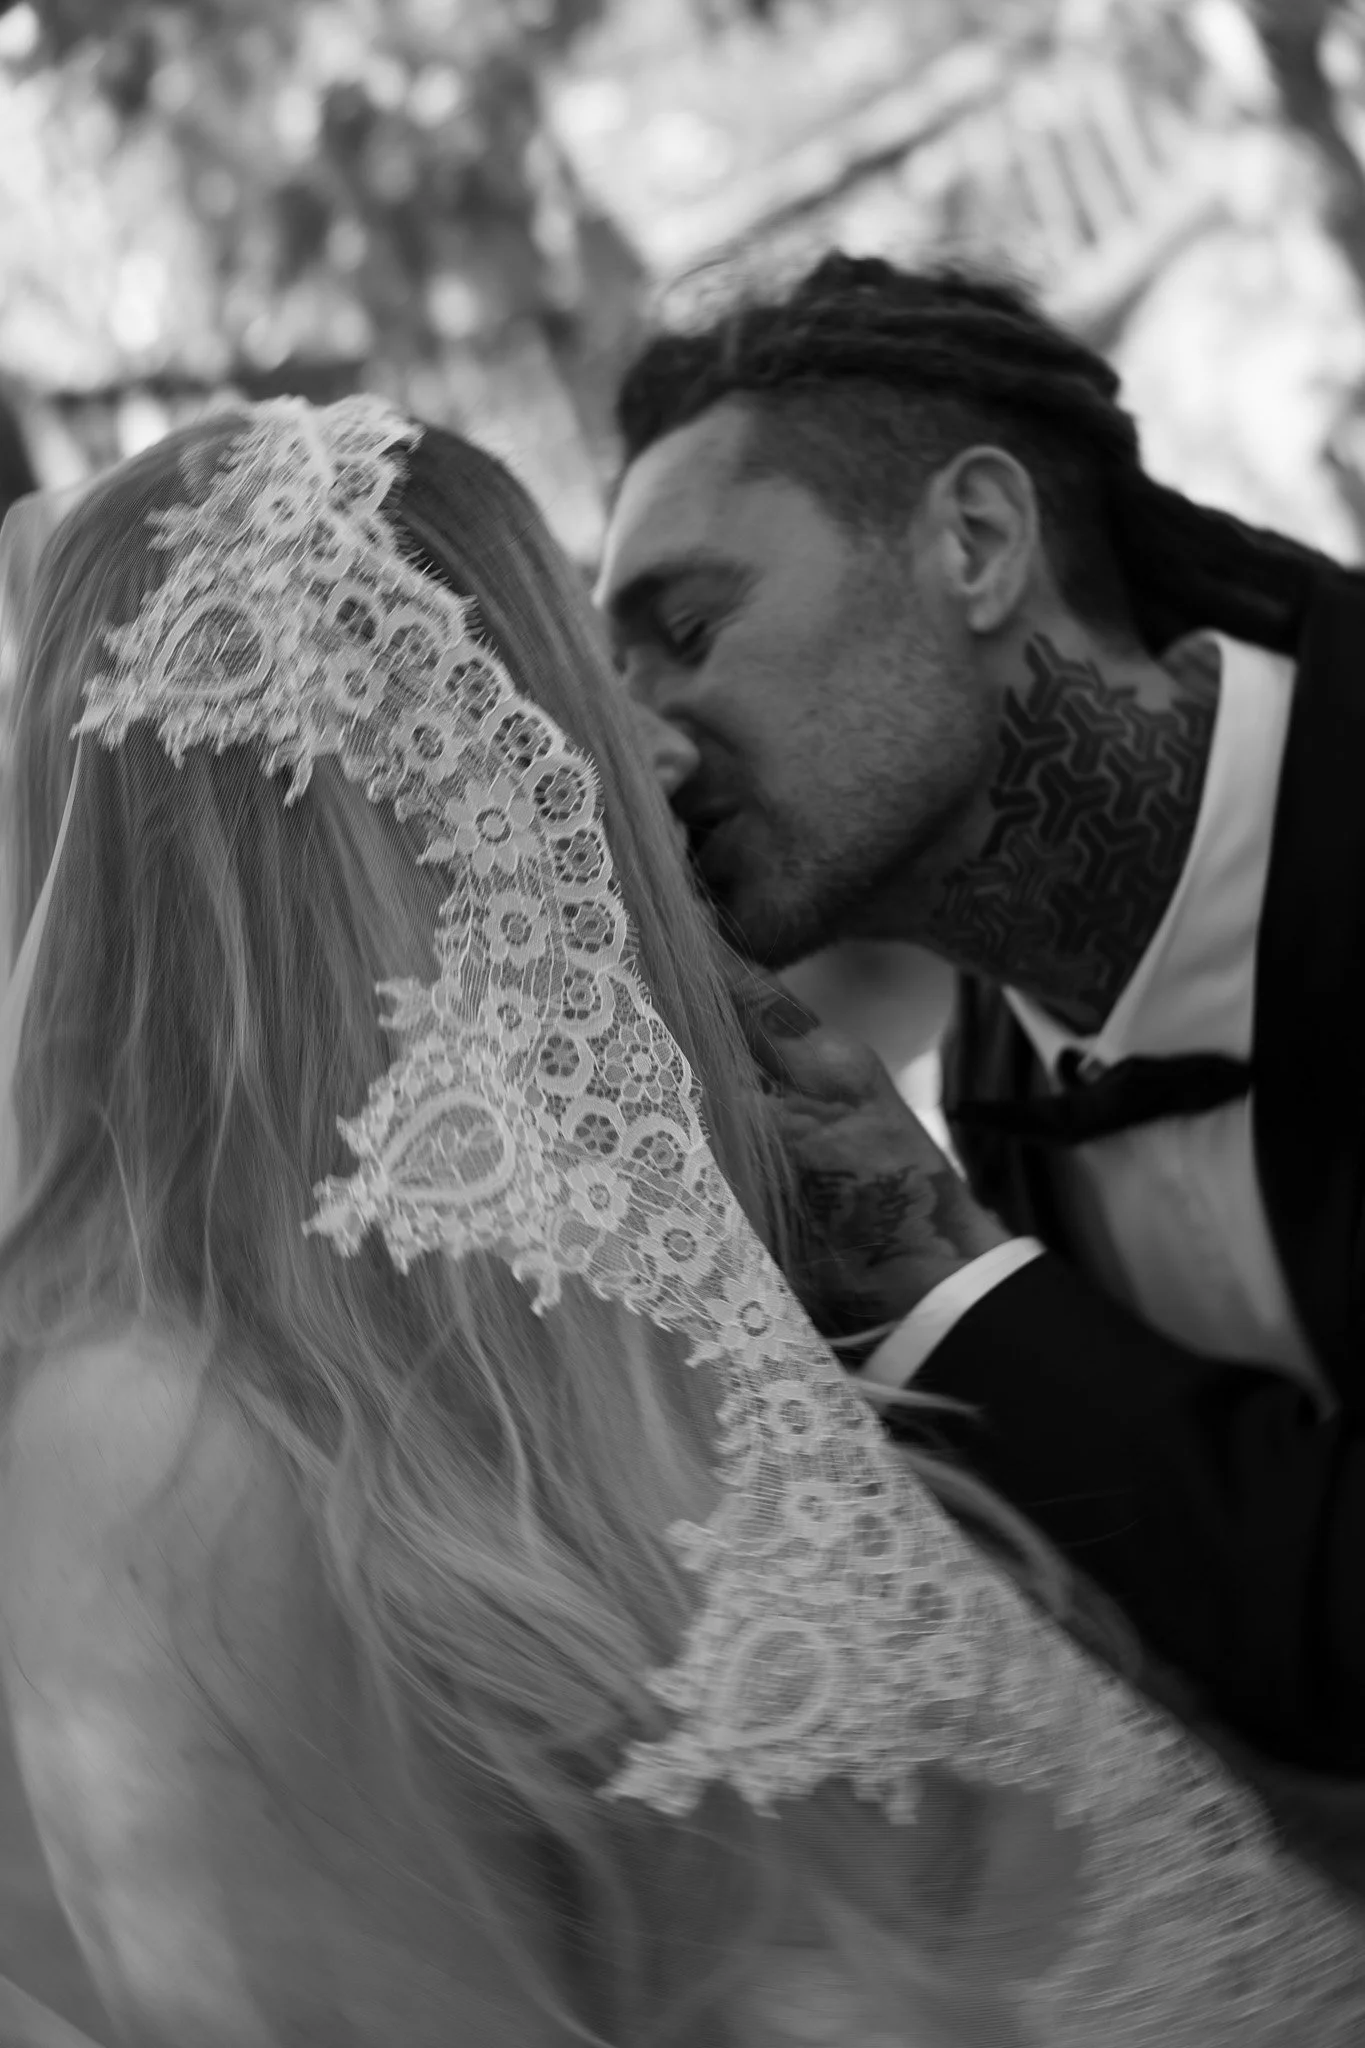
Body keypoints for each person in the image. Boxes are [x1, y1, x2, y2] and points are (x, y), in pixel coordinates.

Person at [1, 397, 1363, 2048]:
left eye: (678, 631)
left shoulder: (673, 1279)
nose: (654, 749)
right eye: (567, 664)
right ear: (386, 763)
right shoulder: (144, 1447)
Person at [599, 250, 1365, 1787]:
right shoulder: (992, 1109)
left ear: (976, 537)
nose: (648, 762)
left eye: (685, 635)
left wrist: (960, 1289)